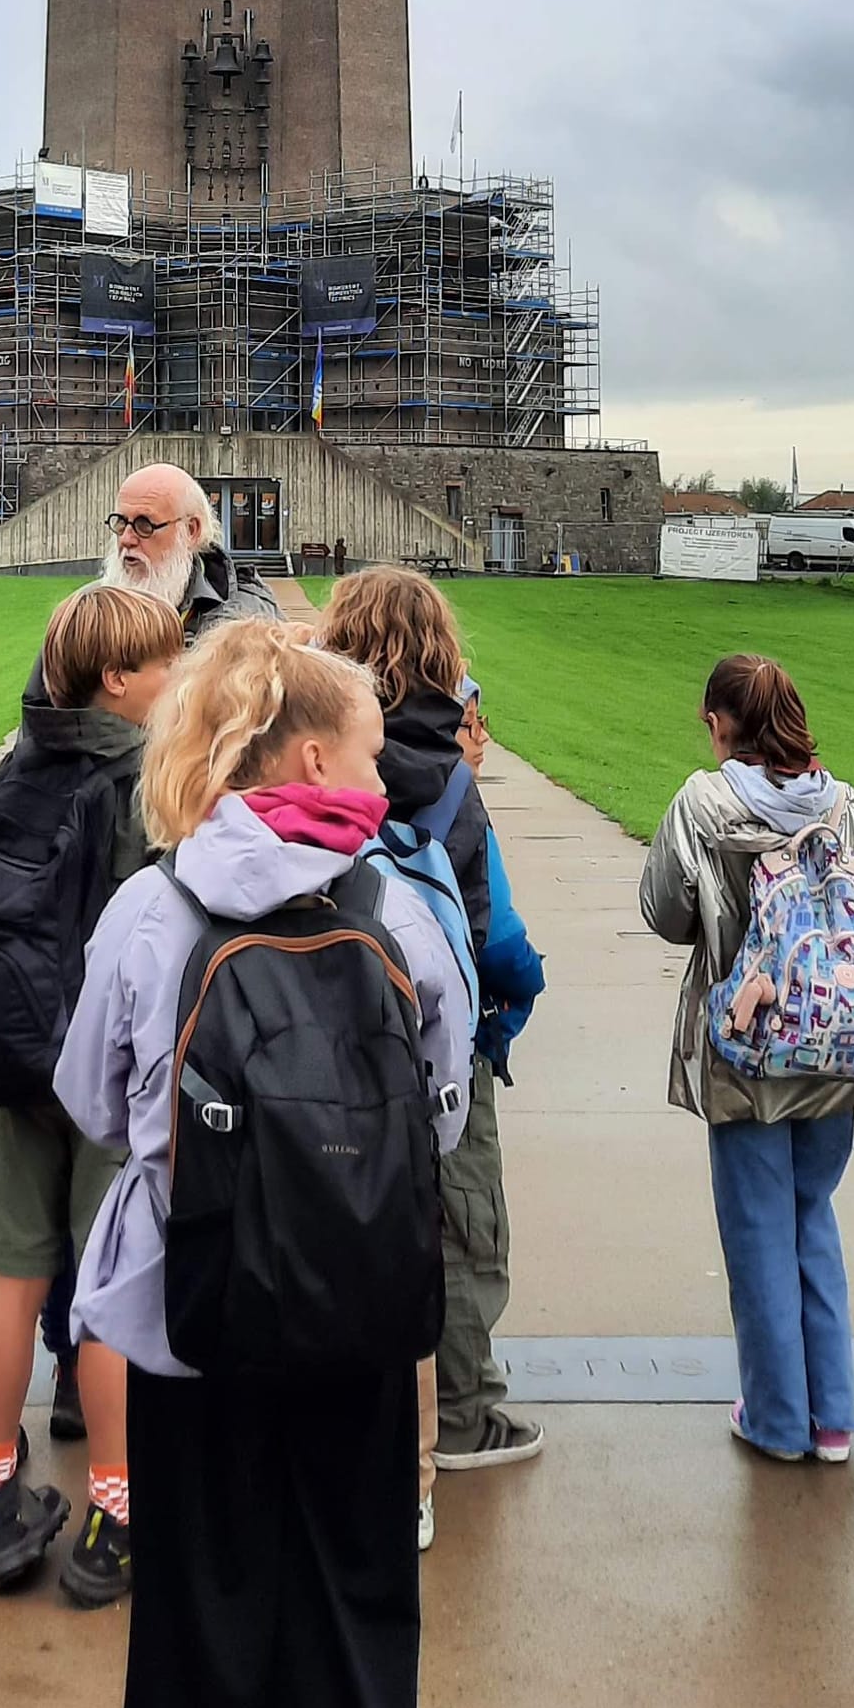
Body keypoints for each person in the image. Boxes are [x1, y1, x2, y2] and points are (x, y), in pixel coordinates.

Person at [55, 621, 472, 1708]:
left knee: (209, 1605)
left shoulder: (152, 908)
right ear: (311, 756)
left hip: (198, 1317)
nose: (381, 768)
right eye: (363, 746)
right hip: (356, 1321)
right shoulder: (401, 904)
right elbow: (447, 1101)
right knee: (356, 1602)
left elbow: (92, 1105)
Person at [0, 581, 183, 1607]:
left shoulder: (16, 762)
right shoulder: (139, 774)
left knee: (11, 1274)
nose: (177, 677)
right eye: (162, 663)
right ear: (116, 680)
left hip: (18, 1062)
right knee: (104, 1293)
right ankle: (116, 1504)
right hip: (109, 1068)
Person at [320, 569, 544, 1484]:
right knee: (460, 1221)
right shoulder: (449, 772)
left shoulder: (311, 749)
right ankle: (461, 1409)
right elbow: (484, 929)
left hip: (327, 1027)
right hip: (441, 1037)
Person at [641, 653, 854, 1464]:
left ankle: (777, 1417)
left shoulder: (704, 803)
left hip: (746, 1046)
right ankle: (834, 1417)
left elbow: (667, 912)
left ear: (719, 724)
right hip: (834, 1045)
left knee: (756, 1234)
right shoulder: (848, 808)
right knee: (813, 1217)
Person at [100, 461, 279, 637]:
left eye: (144, 525)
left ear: (191, 531)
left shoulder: (250, 619)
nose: (126, 539)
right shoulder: (90, 613)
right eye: (121, 523)